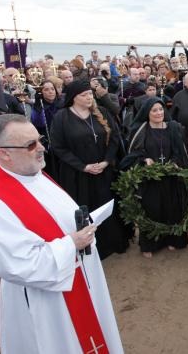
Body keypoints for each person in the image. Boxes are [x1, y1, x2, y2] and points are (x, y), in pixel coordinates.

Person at [0, 114, 124, 353]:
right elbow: (15, 265)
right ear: (3, 154)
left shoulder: (35, 174)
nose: (41, 148)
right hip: (48, 301)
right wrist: (71, 243)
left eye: (39, 140)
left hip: (79, 279)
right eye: (30, 145)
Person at [50, 81, 129, 260]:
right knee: (85, 209)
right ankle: (90, 247)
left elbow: (115, 138)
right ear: (73, 98)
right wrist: (83, 166)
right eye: (84, 95)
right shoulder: (62, 117)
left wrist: (107, 161)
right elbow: (58, 147)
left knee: (107, 207)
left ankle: (113, 243)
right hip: (77, 174)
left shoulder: (101, 112)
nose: (89, 97)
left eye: (90, 94)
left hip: (103, 171)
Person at [121, 97, 188, 258]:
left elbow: (179, 151)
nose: (159, 113)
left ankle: (173, 240)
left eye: (160, 109)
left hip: (170, 177)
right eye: (154, 110)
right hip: (150, 179)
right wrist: (144, 159)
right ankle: (150, 244)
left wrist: (174, 162)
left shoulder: (172, 127)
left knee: (172, 208)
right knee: (152, 209)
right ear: (147, 113)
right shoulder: (141, 129)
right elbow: (133, 154)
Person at [30, 80, 64, 180]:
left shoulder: (62, 104)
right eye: (46, 89)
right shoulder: (38, 107)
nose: (50, 92)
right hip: (48, 145)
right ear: (41, 92)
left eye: (52, 89)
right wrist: (39, 108)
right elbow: (39, 123)